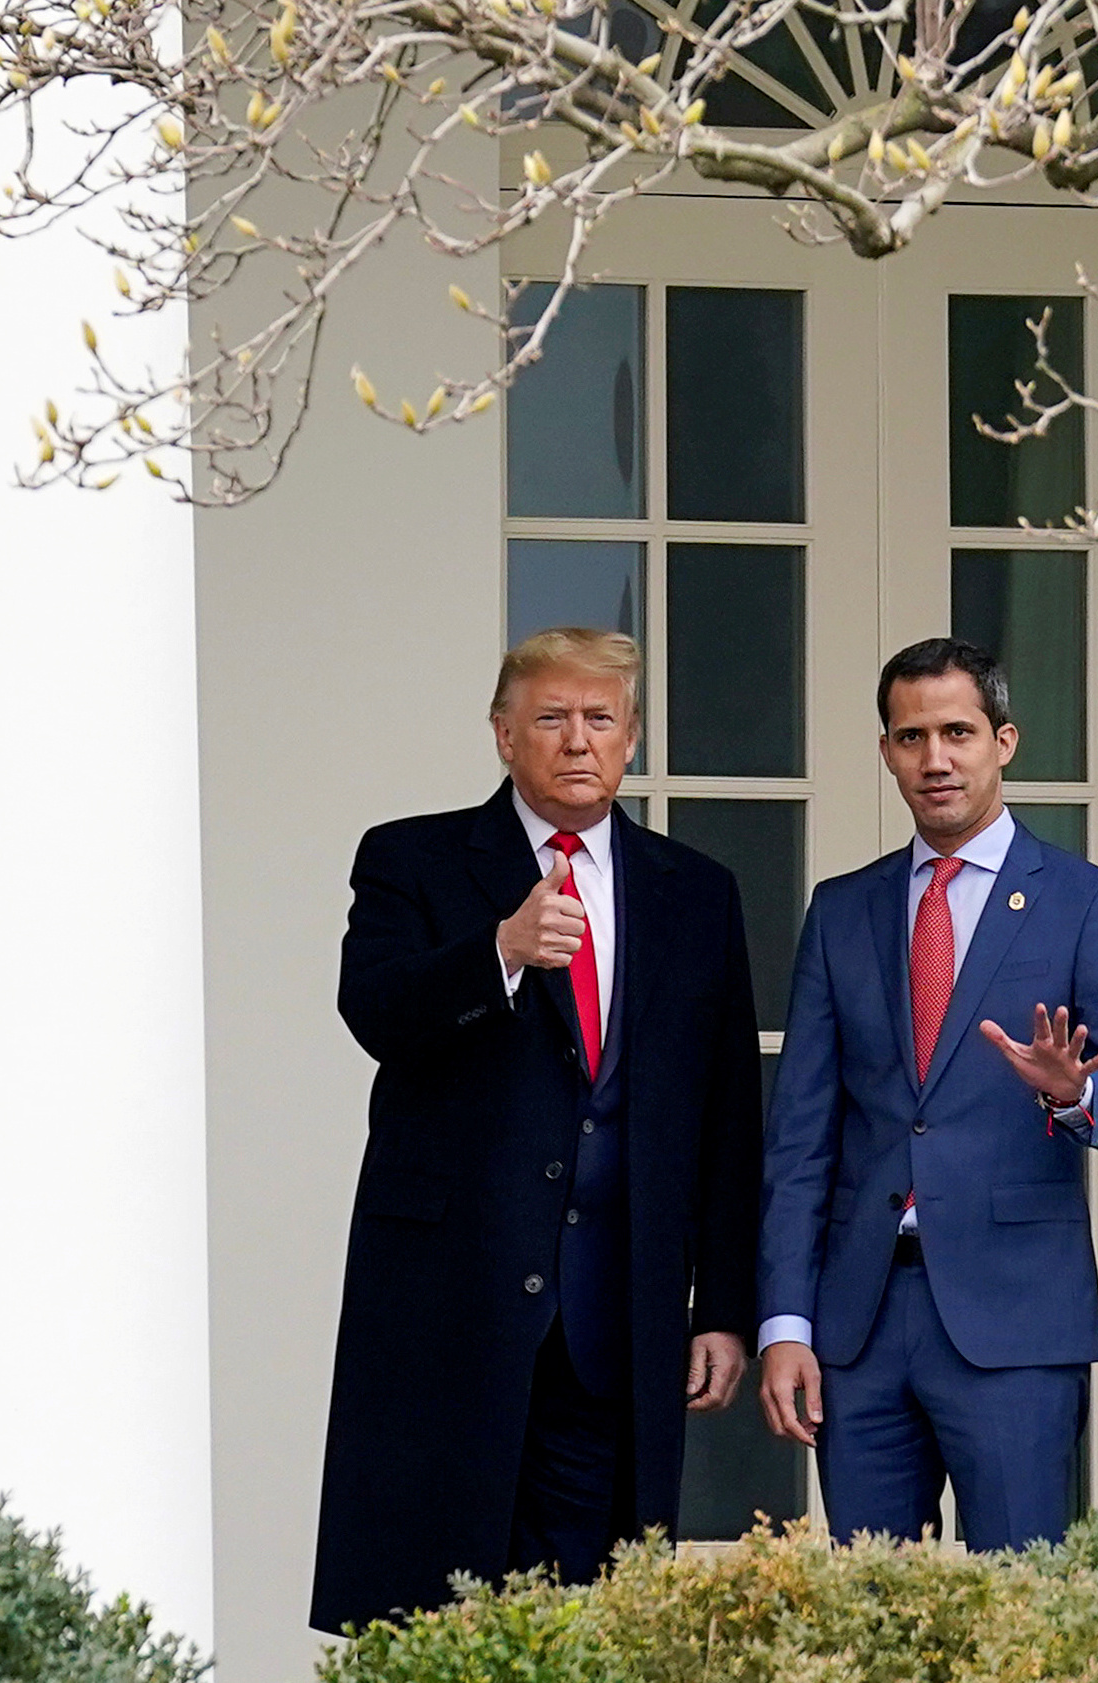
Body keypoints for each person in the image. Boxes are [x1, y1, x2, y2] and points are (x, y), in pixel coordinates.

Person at [310, 628, 762, 1630]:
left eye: (599, 719)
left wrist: (724, 1305)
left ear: (632, 738)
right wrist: (499, 953)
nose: (575, 741)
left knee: (597, 1606)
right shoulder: (412, 858)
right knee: (437, 1604)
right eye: (550, 718)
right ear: (504, 735)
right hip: (453, 1305)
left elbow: (729, 1116)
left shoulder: (695, 891)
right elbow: (373, 1013)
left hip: (619, 1314)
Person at [756, 636, 1098, 1549]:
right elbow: (799, 1140)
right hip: (857, 1328)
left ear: (1004, 741)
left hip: (1014, 1323)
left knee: (1019, 1613)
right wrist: (785, 1321)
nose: (934, 758)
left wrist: (1073, 1097)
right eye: (910, 737)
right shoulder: (841, 909)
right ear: (886, 752)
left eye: (957, 732)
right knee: (873, 1622)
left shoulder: (1085, 900)